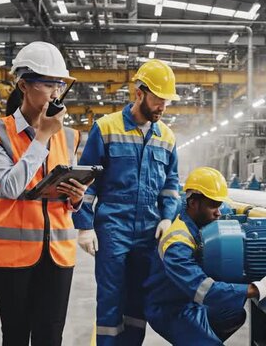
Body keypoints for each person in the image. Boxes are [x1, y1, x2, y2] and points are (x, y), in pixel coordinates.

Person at [0, 41, 92, 346]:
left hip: (57, 253)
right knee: (15, 336)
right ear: (24, 85)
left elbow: (68, 198)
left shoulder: (70, 135)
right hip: (10, 257)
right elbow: (12, 187)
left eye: (59, 84)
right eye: (47, 83)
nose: (55, 93)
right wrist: (42, 136)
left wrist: (77, 197)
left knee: (50, 336)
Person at [72, 59, 181, 345]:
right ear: (139, 93)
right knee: (111, 300)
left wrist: (168, 216)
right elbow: (86, 181)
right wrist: (85, 225)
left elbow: (170, 185)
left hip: (148, 233)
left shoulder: (166, 137)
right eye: (158, 99)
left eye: (167, 102)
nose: (162, 107)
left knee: (138, 301)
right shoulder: (106, 128)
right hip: (113, 230)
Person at [144, 167, 266, 345]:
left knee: (234, 312)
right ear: (194, 202)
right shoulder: (177, 244)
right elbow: (203, 290)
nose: (219, 212)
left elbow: (229, 207)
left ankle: (199, 339)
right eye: (213, 205)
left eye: (219, 205)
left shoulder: (194, 213)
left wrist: (253, 212)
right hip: (170, 309)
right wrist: (259, 289)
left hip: (189, 302)